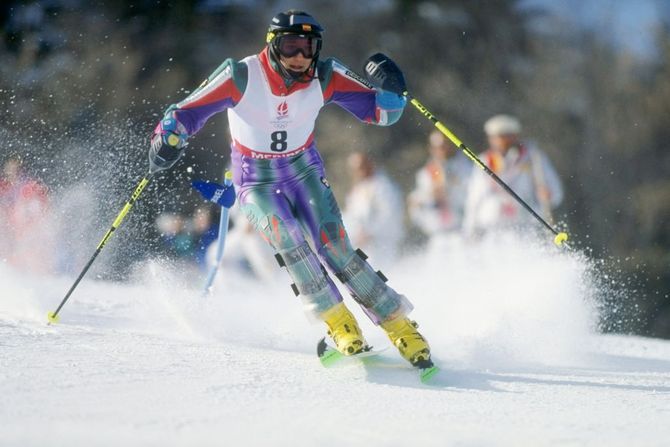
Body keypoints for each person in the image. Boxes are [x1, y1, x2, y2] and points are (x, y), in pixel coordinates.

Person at [148, 10, 433, 368]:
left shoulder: (325, 75)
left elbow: (381, 113)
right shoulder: (241, 75)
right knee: (290, 242)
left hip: (303, 169)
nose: (300, 57)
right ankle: (339, 325)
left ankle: (401, 327)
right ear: (272, 44)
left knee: (336, 248)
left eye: (308, 47)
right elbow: (187, 112)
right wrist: (168, 136)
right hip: (255, 178)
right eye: (290, 46)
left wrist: (393, 89)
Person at [462, 114, 563, 237]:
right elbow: (474, 198)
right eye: (495, 137)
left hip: (525, 227)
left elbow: (556, 192)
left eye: (504, 136)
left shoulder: (534, 158)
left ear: (514, 136)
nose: (499, 141)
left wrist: (548, 194)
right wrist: (469, 230)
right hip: (492, 228)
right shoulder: (485, 160)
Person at [343, 151, 404, 269]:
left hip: (383, 244)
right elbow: (351, 216)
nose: (358, 172)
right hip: (363, 246)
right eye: (354, 169)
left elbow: (389, 214)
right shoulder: (357, 190)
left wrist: (370, 232)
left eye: (361, 167)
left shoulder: (383, 185)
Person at [408, 130, 472, 242]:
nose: (441, 150)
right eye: (436, 147)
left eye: (444, 146)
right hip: (437, 235)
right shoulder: (426, 173)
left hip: (461, 231)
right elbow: (417, 204)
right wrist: (429, 196)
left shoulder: (466, 168)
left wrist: (453, 187)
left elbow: (472, 196)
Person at [0, 156, 53, 273]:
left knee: (26, 252)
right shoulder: (3, 185)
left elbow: (43, 202)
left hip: (26, 227)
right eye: (8, 168)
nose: (10, 172)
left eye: (14, 168)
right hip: (10, 227)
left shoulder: (29, 185)